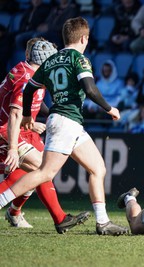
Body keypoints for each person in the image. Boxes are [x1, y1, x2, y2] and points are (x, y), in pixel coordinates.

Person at [0, 17, 128, 236]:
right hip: (65, 121)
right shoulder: (80, 59)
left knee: (98, 168)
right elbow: (89, 89)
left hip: (69, 122)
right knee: (44, 172)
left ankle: (103, 222)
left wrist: (29, 115)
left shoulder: (49, 61)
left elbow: (30, 89)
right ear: (84, 38)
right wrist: (109, 109)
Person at [0, 37, 90, 232]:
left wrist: (46, 118)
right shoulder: (26, 77)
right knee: (41, 168)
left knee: (37, 171)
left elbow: (30, 102)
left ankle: (20, 213)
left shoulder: (29, 72)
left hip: (20, 129)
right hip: (7, 132)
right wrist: (13, 148)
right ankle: (58, 218)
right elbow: (15, 112)